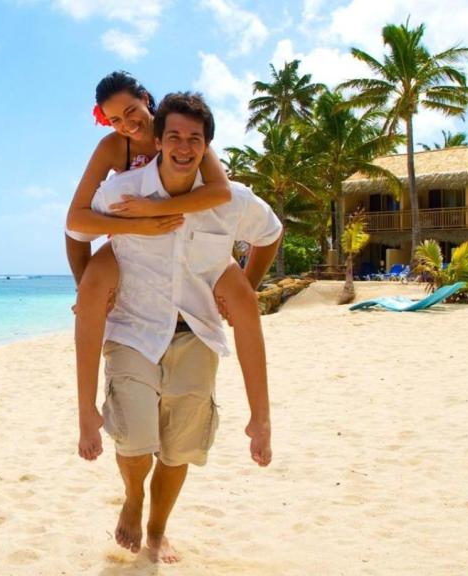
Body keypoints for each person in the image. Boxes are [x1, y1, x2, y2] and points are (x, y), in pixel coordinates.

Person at [66, 92, 281, 563]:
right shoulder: (123, 192)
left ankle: (158, 531)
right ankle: (133, 496)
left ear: (206, 147)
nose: (184, 147)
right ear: (158, 141)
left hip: (196, 332)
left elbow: (270, 234)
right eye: (175, 137)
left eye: (195, 140)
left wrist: (244, 283)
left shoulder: (231, 201)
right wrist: (89, 286)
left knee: (178, 451)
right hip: (133, 331)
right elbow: (76, 228)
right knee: (135, 439)